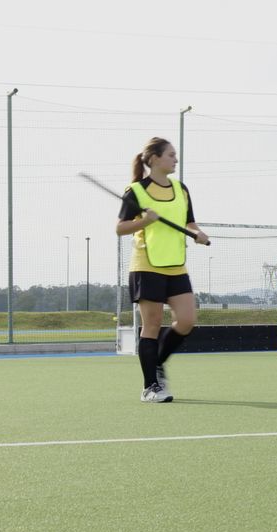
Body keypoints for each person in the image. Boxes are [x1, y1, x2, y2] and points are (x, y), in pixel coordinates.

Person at [115, 137, 209, 403]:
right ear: (154, 158)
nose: (175, 159)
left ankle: (157, 362)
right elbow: (120, 228)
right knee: (152, 326)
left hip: (176, 265)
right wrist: (145, 220)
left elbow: (190, 223)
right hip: (147, 266)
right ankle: (150, 387)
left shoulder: (181, 189)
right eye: (171, 155)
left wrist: (198, 234)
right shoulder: (136, 190)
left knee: (187, 320)